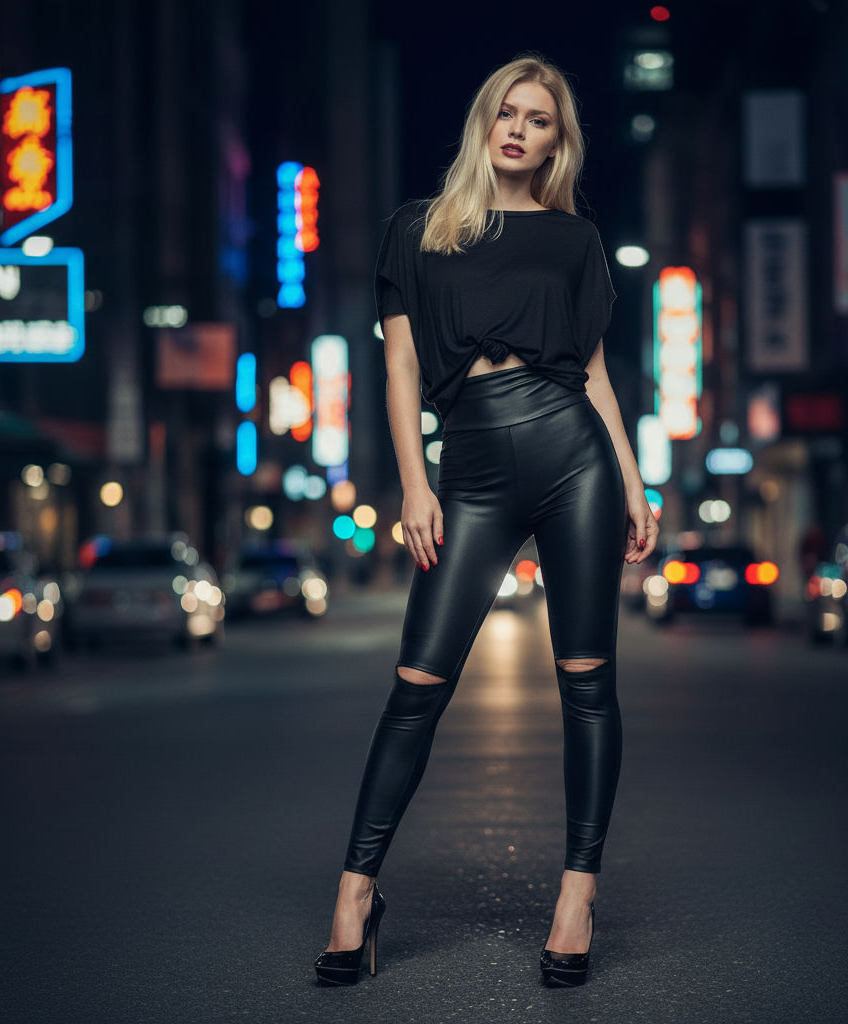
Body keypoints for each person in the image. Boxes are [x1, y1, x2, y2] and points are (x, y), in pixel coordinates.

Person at [315, 54, 658, 988]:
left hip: (574, 458)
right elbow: (395, 369)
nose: (519, 129)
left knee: (587, 684)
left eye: (539, 119)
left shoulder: (575, 242)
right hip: (464, 466)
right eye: (506, 113)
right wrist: (413, 486)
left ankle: (578, 894)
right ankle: (354, 892)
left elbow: (592, 375)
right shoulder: (417, 231)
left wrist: (632, 482)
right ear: (483, 122)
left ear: (557, 139)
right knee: (416, 684)